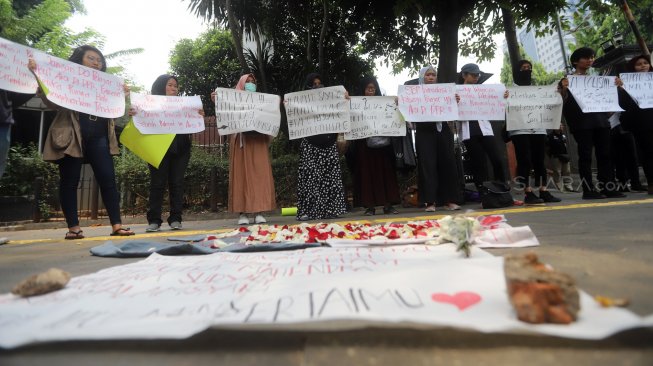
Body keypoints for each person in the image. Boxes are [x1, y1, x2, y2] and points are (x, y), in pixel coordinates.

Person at [28, 45, 134, 239]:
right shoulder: (67, 79)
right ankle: (74, 228)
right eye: (91, 58)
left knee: (108, 179)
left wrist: (122, 96)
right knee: (70, 180)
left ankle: (117, 225)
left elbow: (116, 112)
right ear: (79, 61)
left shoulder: (106, 85)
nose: (96, 63)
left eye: (99, 60)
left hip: (100, 134)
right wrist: (37, 74)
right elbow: (51, 102)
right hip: (72, 132)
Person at [132, 75, 204, 232]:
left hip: (181, 148)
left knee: (177, 183)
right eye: (170, 85)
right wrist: (135, 113)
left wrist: (198, 115)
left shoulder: (184, 105)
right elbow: (140, 122)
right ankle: (154, 221)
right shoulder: (148, 105)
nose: (174, 88)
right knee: (157, 183)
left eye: (176, 86)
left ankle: (176, 219)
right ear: (160, 87)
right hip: (158, 148)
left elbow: (194, 120)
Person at [558, 47, 625, 199]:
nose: (590, 60)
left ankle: (608, 186)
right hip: (581, 124)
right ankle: (588, 189)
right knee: (586, 156)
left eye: (592, 57)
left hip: (601, 121)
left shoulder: (600, 80)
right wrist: (563, 88)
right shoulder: (567, 81)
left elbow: (610, 100)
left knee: (605, 154)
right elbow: (560, 101)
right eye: (586, 57)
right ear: (575, 61)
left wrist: (618, 87)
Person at [212, 73, 276, 225]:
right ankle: (243, 213)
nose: (250, 84)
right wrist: (217, 100)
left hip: (258, 142)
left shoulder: (263, 100)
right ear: (241, 84)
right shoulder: (233, 99)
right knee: (241, 176)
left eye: (253, 81)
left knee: (259, 175)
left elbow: (271, 117)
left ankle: (259, 211)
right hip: (241, 142)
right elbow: (225, 115)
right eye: (247, 82)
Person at [295, 73, 347, 221]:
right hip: (311, 146)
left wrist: (345, 99)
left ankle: (331, 209)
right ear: (309, 87)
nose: (318, 86)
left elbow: (341, 112)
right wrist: (289, 105)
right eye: (314, 84)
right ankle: (309, 211)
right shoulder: (302, 103)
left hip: (329, 144)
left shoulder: (332, 99)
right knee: (310, 179)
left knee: (330, 178)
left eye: (320, 83)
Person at [508, 60, 561, 205]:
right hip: (519, 129)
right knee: (524, 160)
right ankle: (528, 192)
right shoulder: (510, 91)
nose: (527, 70)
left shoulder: (538, 91)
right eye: (524, 68)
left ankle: (544, 190)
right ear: (516, 71)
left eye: (529, 68)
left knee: (539, 159)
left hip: (538, 127)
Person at [457, 63, 511, 196]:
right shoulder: (456, 92)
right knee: (478, 162)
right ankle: (482, 190)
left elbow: (497, 104)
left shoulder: (483, 91)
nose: (476, 77)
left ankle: (501, 185)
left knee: (496, 158)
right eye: (473, 74)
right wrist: (455, 101)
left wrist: (502, 97)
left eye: (477, 75)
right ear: (464, 75)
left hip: (485, 129)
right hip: (469, 130)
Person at [350, 76, 400, 215]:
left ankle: (388, 205)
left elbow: (393, 117)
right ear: (363, 89)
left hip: (383, 146)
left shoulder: (384, 103)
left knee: (386, 174)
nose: (371, 91)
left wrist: (396, 102)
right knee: (367, 174)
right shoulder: (356, 104)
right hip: (364, 147)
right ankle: (369, 206)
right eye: (368, 88)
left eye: (373, 88)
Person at [414, 66, 462, 212]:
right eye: (427, 75)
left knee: (447, 163)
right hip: (424, 132)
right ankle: (430, 202)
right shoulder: (414, 94)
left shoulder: (444, 92)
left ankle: (449, 200)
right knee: (428, 166)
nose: (431, 77)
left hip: (443, 130)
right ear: (422, 77)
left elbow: (453, 111)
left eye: (433, 75)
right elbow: (408, 113)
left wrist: (456, 101)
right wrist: (401, 102)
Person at [618, 54, 652, 195]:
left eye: (645, 63)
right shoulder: (626, 84)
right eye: (639, 64)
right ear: (633, 68)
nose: (643, 65)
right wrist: (622, 89)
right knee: (649, 153)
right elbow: (623, 105)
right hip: (642, 124)